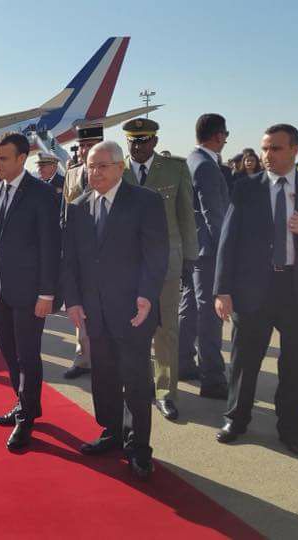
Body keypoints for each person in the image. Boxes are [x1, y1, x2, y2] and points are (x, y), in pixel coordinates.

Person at [214, 124, 298, 457]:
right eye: (264, 148)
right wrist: (222, 290)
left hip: (296, 289)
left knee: (293, 366)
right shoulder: (246, 188)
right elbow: (228, 242)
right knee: (244, 361)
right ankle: (236, 419)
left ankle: (290, 429)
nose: (266, 155)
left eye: (275, 148)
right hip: (253, 289)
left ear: (294, 150)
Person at [60, 140, 169, 480]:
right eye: (91, 166)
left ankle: (139, 448)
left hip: (135, 310)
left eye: (103, 165)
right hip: (95, 312)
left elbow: (156, 255)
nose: (95, 172)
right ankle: (112, 432)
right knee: (104, 377)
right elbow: (71, 261)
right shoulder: (78, 206)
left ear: (121, 168)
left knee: (136, 381)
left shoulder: (145, 202)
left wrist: (147, 295)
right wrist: (74, 301)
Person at [0, 132, 60, 451]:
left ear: (22, 159)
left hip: (31, 292)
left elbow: (51, 247)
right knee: (9, 353)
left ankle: (26, 417)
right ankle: (24, 402)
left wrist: (47, 293)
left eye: (3, 158)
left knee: (28, 355)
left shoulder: (41, 194)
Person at [122, 118, 198, 420]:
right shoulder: (118, 169)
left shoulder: (175, 169)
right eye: (133, 141)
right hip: (126, 265)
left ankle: (166, 391)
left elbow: (186, 216)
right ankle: (136, 387)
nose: (138, 147)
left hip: (166, 261)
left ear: (154, 141)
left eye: (144, 141)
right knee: (130, 328)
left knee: (166, 328)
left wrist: (191, 257)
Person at [179, 114, 231, 400]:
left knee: (190, 306)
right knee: (210, 312)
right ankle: (212, 377)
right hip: (209, 250)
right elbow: (214, 215)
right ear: (218, 136)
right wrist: (227, 250)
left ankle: (183, 362)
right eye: (225, 134)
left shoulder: (192, 160)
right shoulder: (207, 166)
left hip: (194, 247)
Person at [61, 124, 103, 379]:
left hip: (109, 253)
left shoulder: (117, 170)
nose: (86, 150)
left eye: (91, 145)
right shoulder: (73, 174)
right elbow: (66, 212)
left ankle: (108, 359)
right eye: (83, 146)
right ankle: (83, 358)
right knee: (78, 308)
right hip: (81, 253)